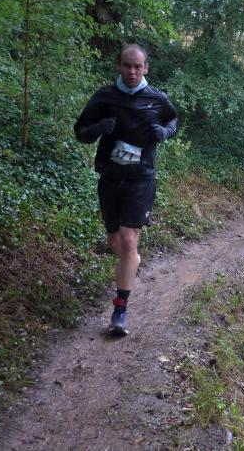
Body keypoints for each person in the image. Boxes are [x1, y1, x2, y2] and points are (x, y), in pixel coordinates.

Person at [74, 44, 178, 336]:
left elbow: (173, 121)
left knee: (129, 240)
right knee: (116, 243)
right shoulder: (105, 97)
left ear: (145, 68)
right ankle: (131, 260)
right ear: (119, 66)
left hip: (141, 178)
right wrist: (98, 129)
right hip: (110, 178)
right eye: (127, 65)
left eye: (137, 66)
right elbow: (80, 131)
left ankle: (120, 311)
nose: (132, 71)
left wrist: (165, 132)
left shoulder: (157, 98)